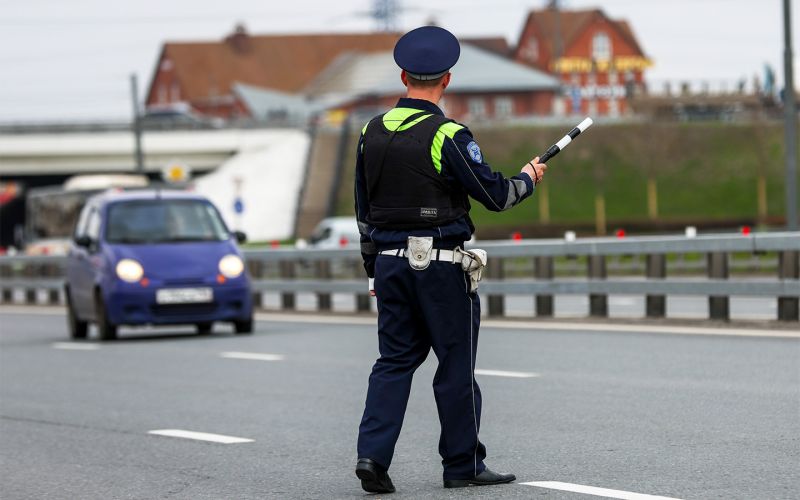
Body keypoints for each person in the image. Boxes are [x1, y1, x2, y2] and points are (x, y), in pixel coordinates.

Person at [354, 26, 547, 493]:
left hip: (389, 265)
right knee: (455, 366)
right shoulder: (447, 135)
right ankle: (462, 464)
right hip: (441, 268)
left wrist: (374, 269)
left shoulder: (369, 132)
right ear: (447, 79)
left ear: (404, 77)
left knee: (393, 362)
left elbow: (363, 210)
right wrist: (527, 178)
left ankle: (372, 457)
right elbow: (495, 196)